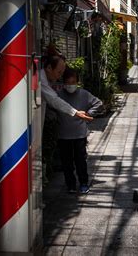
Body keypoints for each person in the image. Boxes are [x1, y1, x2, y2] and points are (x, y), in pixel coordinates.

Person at [40, 47, 92, 181]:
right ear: (49, 68)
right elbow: (55, 101)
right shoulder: (41, 80)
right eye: (59, 71)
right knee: (68, 160)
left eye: (62, 71)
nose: (60, 75)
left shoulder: (47, 80)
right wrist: (76, 113)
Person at [56, 68, 103, 194]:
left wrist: (88, 114)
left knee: (80, 161)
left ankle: (83, 183)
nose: (70, 85)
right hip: (63, 134)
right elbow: (51, 107)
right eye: (68, 82)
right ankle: (70, 185)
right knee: (67, 163)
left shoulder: (84, 94)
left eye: (73, 82)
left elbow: (98, 103)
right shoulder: (58, 95)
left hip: (80, 134)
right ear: (63, 82)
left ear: (77, 82)